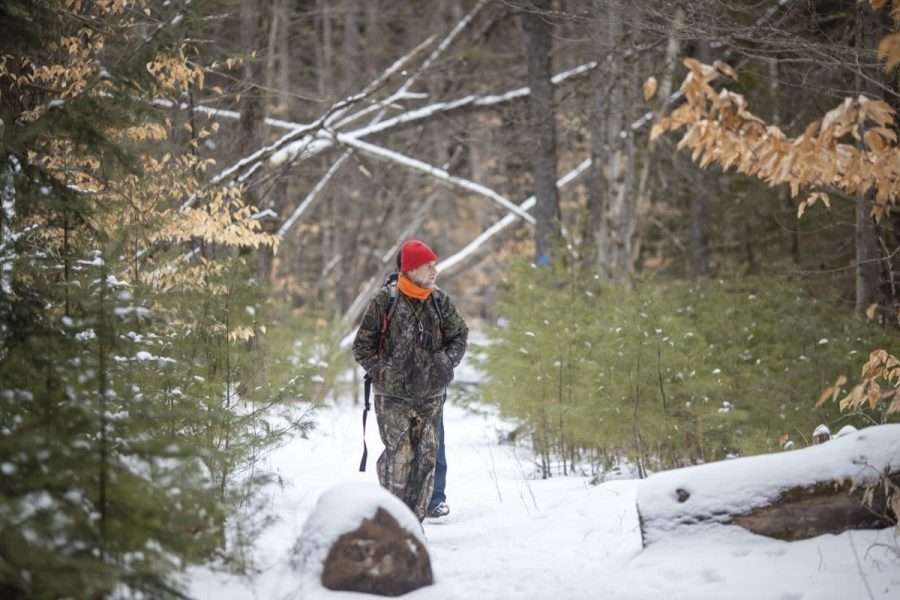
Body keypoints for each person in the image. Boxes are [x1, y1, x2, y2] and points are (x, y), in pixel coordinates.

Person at [353, 240, 468, 521]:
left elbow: (459, 336)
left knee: (426, 459)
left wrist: (443, 363)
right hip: (392, 396)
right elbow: (362, 347)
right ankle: (394, 519)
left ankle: (414, 524)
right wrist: (385, 372)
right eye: (428, 266)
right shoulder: (385, 301)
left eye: (434, 264)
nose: (434, 271)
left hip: (430, 396)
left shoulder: (439, 301)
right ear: (411, 269)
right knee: (399, 456)